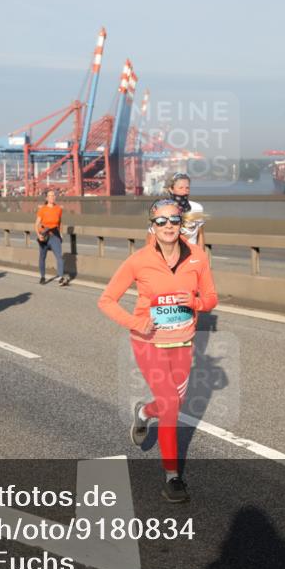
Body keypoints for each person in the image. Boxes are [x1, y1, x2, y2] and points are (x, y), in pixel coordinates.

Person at [98, 199, 218, 503]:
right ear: (152, 226)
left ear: (181, 224)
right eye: (161, 221)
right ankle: (172, 476)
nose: (168, 226)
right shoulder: (139, 261)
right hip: (148, 342)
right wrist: (137, 323)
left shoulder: (198, 257)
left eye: (174, 220)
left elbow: (211, 298)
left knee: (173, 403)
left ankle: (143, 412)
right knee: (170, 404)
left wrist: (196, 303)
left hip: (183, 343)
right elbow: (107, 300)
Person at [35, 189, 68, 286]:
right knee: (42, 257)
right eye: (50, 196)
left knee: (59, 257)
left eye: (53, 195)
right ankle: (42, 277)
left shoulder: (58, 209)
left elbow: (60, 222)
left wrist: (61, 234)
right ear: (47, 198)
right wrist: (38, 235)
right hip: (44, 236)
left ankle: (61, 278)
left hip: (55, 236)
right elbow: (36, 224)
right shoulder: (42, 209)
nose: (52, 197)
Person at [165, 172, 206, 246]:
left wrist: (201, 253)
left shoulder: (197, 208)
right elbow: (151, 237)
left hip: (192, 252)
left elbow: (200, 235)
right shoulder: (162, 209)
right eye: (180, 188)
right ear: (171, 189)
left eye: (187, 188)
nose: (185, 191)